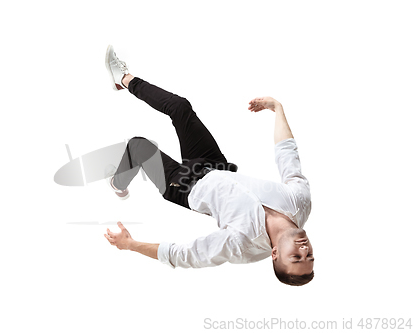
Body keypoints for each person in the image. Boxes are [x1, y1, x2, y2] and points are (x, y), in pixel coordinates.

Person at [102, 45, 314, 286]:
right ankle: (122, 79)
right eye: (310, 256)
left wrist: (130, 245)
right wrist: (278, 108)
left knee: (138, 147)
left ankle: (117, 183)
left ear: (275, 254)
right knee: (180, 108)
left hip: (185, 187)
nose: (304, 250)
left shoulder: (241, 245)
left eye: (296, 257)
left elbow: (185, 255)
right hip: (215, 165)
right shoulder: (300, 202)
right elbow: (288, 157)